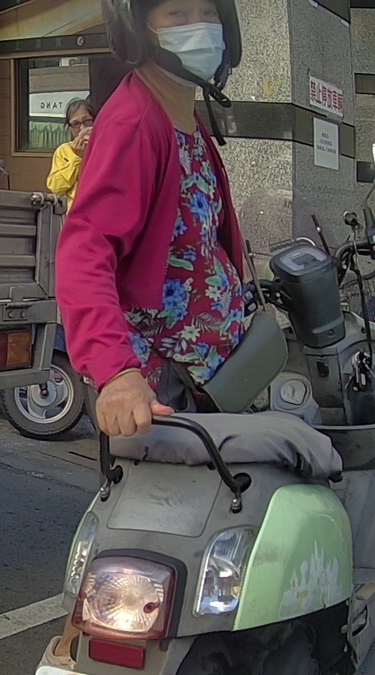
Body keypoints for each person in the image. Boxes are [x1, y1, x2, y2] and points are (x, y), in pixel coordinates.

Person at [55, 0, 245, 438]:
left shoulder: (182, 115)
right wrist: (117, 372)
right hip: (163, 395)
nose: (200, 27)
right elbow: (84, 253)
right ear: (139, 29)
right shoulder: (134, 123)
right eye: (177, 14)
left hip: (207, 379)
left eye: (210, 13)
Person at [46, 98, 96, 207]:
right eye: (76, 124)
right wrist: (76, 157)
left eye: (87, 121)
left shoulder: (105, 147)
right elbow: (56, 187)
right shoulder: (64, 151)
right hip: (75, 210)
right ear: (70, 128)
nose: (82, 128)